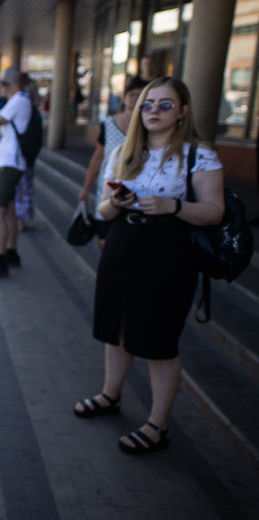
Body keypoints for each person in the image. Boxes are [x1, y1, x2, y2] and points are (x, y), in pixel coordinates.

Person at [73, 77, 225, 455]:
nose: (154, 111)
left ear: (183, 111)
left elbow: (214, 211)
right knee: (116, 327)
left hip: (169, 252)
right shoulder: (124, 150)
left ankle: (158, 425)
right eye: (147, 104)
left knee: (159, 341)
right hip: (123, 243)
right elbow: (103, 208)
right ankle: (111, 395)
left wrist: (173, 207)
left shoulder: (198, 154)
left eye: (165, 105)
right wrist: (117, 205)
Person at [78, 76, 148, 249]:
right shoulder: (109, 124)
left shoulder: (149, 128)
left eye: (141, 95)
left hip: (137, 195)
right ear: (124, 97)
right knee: (104, 240)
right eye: (132, 94)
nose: (135, 98)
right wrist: (85, 189)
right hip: (109, 191)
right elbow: (97, 157)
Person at [0, 67, 32, 280]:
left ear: (7, 83)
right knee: (9, 210)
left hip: (9, 164)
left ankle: (1, 261)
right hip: (7, 161)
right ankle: (11, 252)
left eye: (0, 83)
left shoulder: (18, 101)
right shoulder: (18, 101)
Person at [15, 74, 39, 228]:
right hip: (24, 156)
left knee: (22, 189)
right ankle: (20, 218)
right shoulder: (29, 111)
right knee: (24, 189)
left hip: (23, 156)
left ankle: (20, 218)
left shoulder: (28, 111)